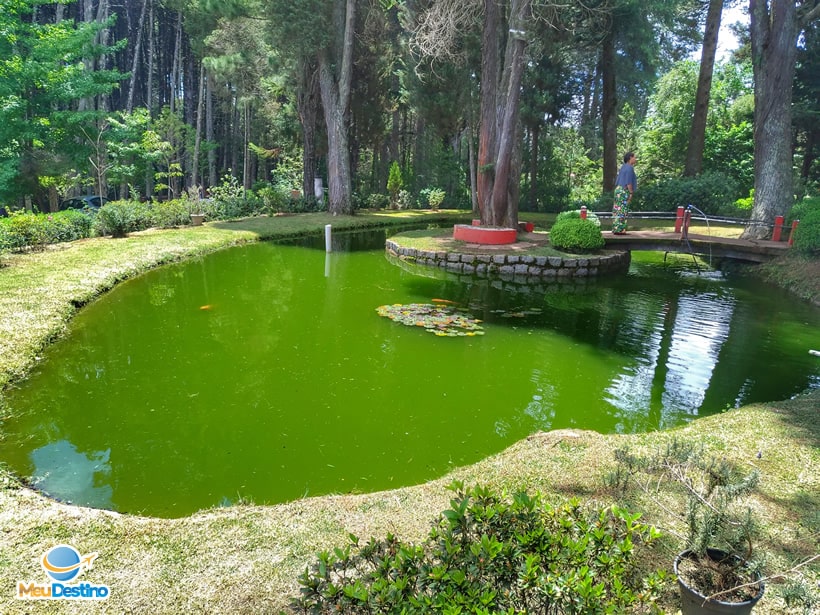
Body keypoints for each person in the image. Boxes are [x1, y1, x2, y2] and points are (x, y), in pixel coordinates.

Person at [612, 151, 637, 234]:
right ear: (630, 158)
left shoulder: (623, 167)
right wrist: (631, 193)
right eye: (634, 157)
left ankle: (616, 228)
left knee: (617, 209)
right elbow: (628, 182)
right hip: (623, 190)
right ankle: (621, 229)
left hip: (618, 189)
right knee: (623, 209)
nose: (635, 159)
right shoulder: (629, 168)